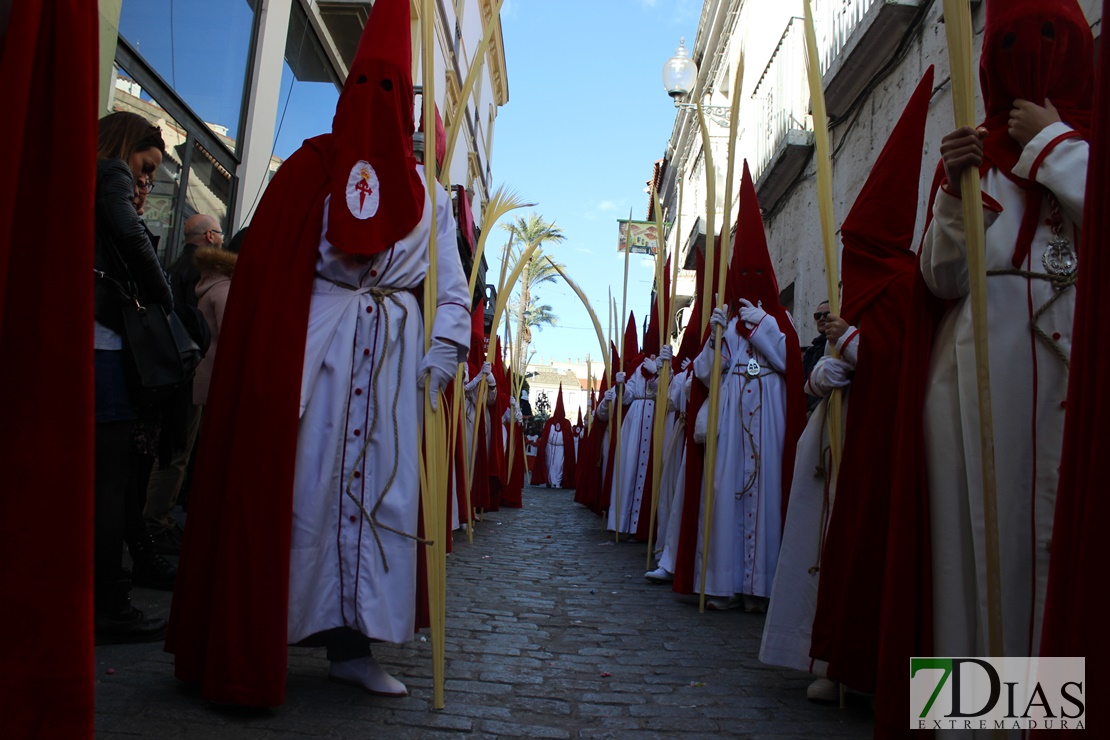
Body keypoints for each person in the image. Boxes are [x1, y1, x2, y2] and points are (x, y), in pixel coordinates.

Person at [167, 0, 470, 705]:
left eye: (390, 91)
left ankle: (353, 647)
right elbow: (273, 270)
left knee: (375, 502)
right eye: (365, 87)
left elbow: (450, 290)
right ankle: (257, 635)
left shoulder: (429, 196)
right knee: (299, 497)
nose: (376, 104)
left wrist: (441, 357)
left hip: (392, 374)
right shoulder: (307, 171)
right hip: (314, 370)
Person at [921, 0, 1092, 661]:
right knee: (975, 559)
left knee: (1062, 548)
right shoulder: (980, 159)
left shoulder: (1083, 147)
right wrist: (954, 194)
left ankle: (1054, 721)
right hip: (981, 371)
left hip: (1072, 367)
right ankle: (973, 723)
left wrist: (1054, 142)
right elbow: (941, 278)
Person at [689, 162, 805, 613]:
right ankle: (726, 582)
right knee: (727, 491)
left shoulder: (780, 321)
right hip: (734, 417)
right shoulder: (730, 326)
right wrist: (716, 337)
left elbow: (787, 363)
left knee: (766, 493)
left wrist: (763, 329)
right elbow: (705, 375)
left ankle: (762, 587)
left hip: (771, 412)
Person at [92, 111, 172, 643]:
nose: (145, 181)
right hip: (103, 345)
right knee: (111, 480)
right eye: (146, 168)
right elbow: (130, 238)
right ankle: (109, 602)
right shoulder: (110, 172)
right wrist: (162, 299)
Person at [143, 213, 224, 553]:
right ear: (209, 235)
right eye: (219, 233)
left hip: (169, 367)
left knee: (169, 450)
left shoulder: (175, 267)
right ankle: (155, 522)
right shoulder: (204, 274)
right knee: (177, 452)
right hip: (190, 370)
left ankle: (155, 519)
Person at [530, 384, 577, 488]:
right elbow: (545, 434)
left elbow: (568, 439)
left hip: (561, 448)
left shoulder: (566, 423)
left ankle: (557, 482)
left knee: (558, 466)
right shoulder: (550, 421)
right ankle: (549, 481)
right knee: (549, 465)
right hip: (549, 447)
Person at [801, 301, 830, 413]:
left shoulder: (836, 345)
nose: (822, 318)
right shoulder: (811, 351)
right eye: (818, 316)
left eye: (827, 314)